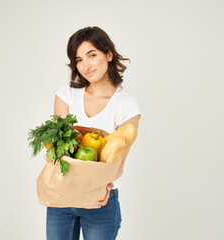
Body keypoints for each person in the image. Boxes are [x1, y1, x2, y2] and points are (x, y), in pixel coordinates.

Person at [45, 26, 141, 240]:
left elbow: (118, 164)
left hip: (100, 200)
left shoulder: (126, 106)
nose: (85, 65)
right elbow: (58, 146)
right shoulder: (66, 95)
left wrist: (104, 186)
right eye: (78, 60)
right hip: (62, 198)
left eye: (92, 55)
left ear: (108, 54)